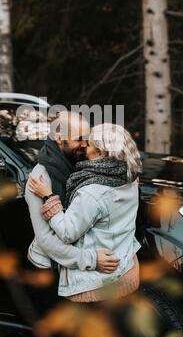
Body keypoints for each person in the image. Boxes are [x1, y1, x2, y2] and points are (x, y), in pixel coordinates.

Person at [28, 123, 142, 302]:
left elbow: (67, 232)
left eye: (88, 144)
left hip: (95, 285)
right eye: (79, 140)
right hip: (125, 268)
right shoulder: (130, 178)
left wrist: (48, 196)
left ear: (102, 153)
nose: (84, 147)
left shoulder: (92, 192)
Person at [25, 111, 120, 283]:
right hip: (49, 270)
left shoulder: (81, 163)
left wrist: (128, 177)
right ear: (60, 138)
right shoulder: (40, 178)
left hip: (78, 268)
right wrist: (92, 260)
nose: (85, 144)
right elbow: (46, 240)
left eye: (87, 138)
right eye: (78, 139)